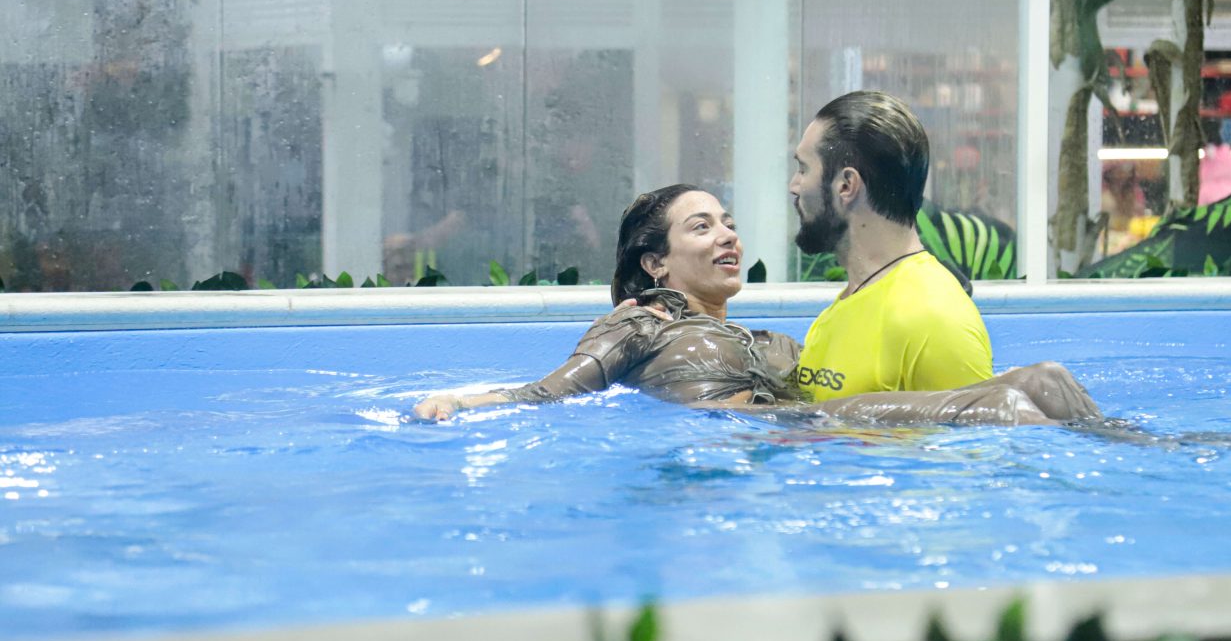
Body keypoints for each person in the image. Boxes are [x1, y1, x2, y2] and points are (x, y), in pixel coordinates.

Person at [413, 185, 1100, 428]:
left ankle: (1150, 452)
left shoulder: (771, 343)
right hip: (756, 436)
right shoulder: (640, 322)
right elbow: (551, 392)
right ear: (655, 263)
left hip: (808, 433)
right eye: (702, 227)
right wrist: (461, 402)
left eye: (730, 223)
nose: (728, 237)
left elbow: (840, 391)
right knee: (1005, 407)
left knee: (1045, 379)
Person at [786, 91, 993, 402]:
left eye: (803, 169)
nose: (794, 186)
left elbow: (978, 430)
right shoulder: (841, 309)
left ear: (846, 186)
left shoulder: (933, 319)